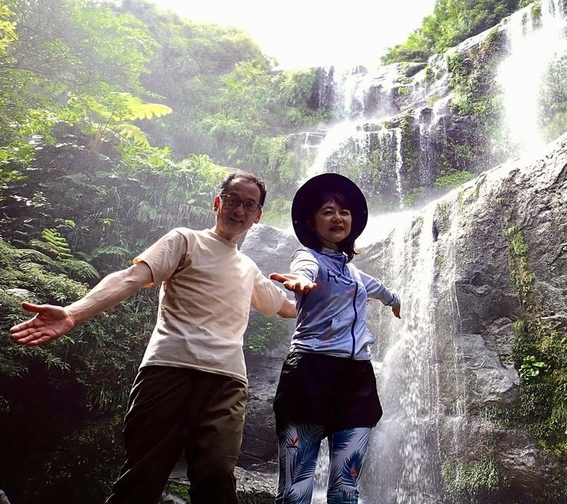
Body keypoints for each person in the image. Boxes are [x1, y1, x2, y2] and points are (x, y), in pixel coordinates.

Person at [9, 170, 297, 504]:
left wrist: (338, 296)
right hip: (168, 370)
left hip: (227, 381)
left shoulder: (249, 269)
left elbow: (287, 308)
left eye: (249, 205)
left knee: (218, 475)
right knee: (143, 477)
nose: (239, 210)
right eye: (233, 201)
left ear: (258, 216)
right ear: (217, 203)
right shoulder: (185, 240)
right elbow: (130, 278)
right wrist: (74, 312)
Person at [268, 172, 401, 504]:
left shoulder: (356, 274)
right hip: (310, 374)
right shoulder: (308, 258)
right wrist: (298, 282)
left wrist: (395, 302)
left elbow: (382, 290)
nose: (337, 217)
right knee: (296, 489)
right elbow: (303, 271)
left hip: (356, 380)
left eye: (343, 211)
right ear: (312, 221)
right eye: (327, 211)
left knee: (346, 489)